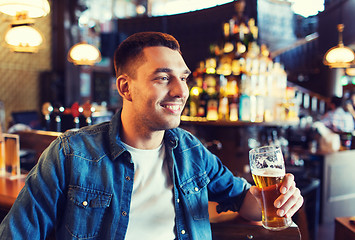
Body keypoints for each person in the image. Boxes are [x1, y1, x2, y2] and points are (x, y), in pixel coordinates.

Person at [0, 32, 303, 239]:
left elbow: (244, 201)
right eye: (163, 78)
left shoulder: (191, 151)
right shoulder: (70, 153)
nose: (180, 91)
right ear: (125, 87)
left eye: (183, 78)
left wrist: (274, 199)